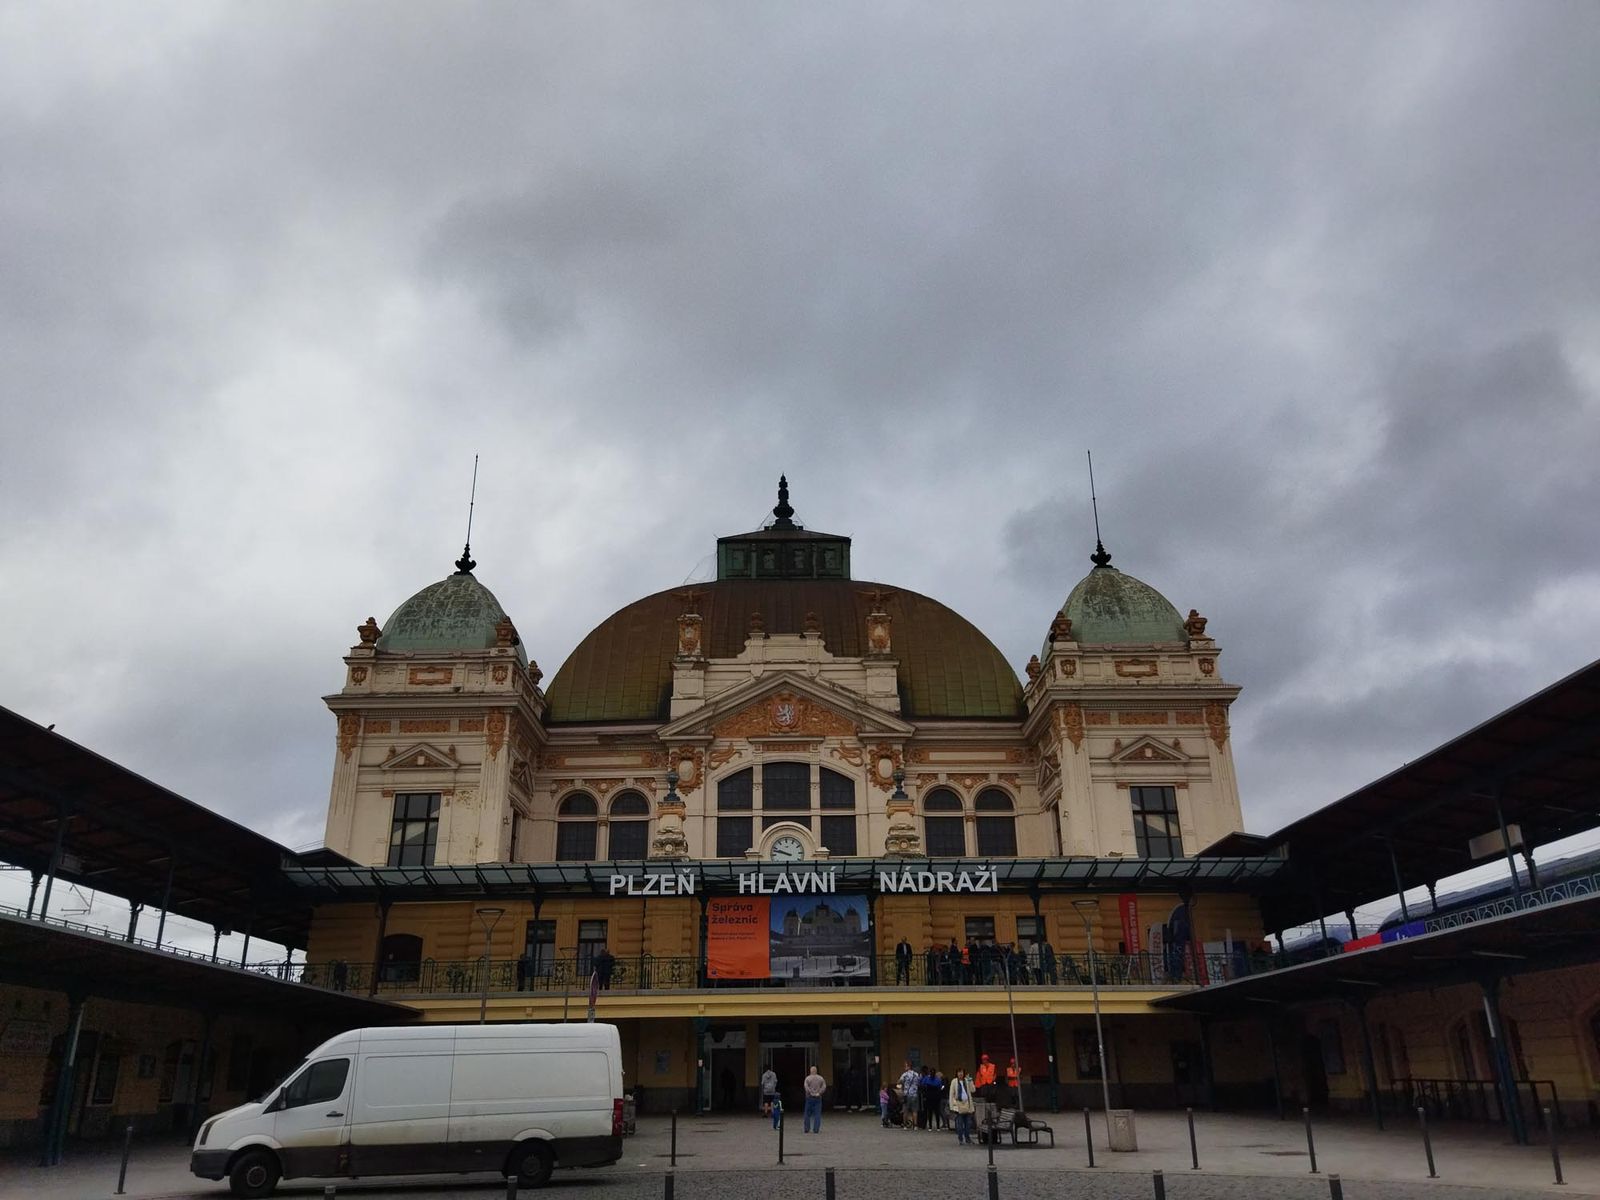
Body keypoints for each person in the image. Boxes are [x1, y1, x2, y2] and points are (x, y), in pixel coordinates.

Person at [948, 1069, 976, 1144]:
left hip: (967, 1104)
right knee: (960, 1124)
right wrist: (952, 1105)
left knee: (968, 1124)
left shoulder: (966, 1081)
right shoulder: (954, 1081)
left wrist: (970, 1081)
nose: (960, 1074)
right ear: (956, 1073)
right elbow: (951, 1094)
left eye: (962, 1072)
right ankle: (960, 1139)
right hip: (959, 1105)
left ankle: (967, 1138)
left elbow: (973, 1090)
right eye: (959, 1072)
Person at [802, 1065, 827, 1133]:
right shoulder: (821, 1078)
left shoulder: (808, 1078)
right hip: (818, 1098)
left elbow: (806, 1087)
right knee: (817, 1114)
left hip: (809, 1098)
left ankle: (807, 1128)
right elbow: (824, 1086)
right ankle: (816, 1129)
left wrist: (810, 1092)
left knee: (807, 1114)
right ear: (816, 1071)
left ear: (810, 1071)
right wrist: (819, 1092)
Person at [898, 1062, 920, 1129]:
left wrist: (903, 1083)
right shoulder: (916, 1074)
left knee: (905, 1111)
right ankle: (915, 1125)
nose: (904, 1068)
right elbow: (919, 1083)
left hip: (906, 1095)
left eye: (905, 1066)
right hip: (914, 1095)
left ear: (909, 1067)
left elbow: (899, 1082)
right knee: (914, 1111)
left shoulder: (905, 1075)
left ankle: (905, 1125)